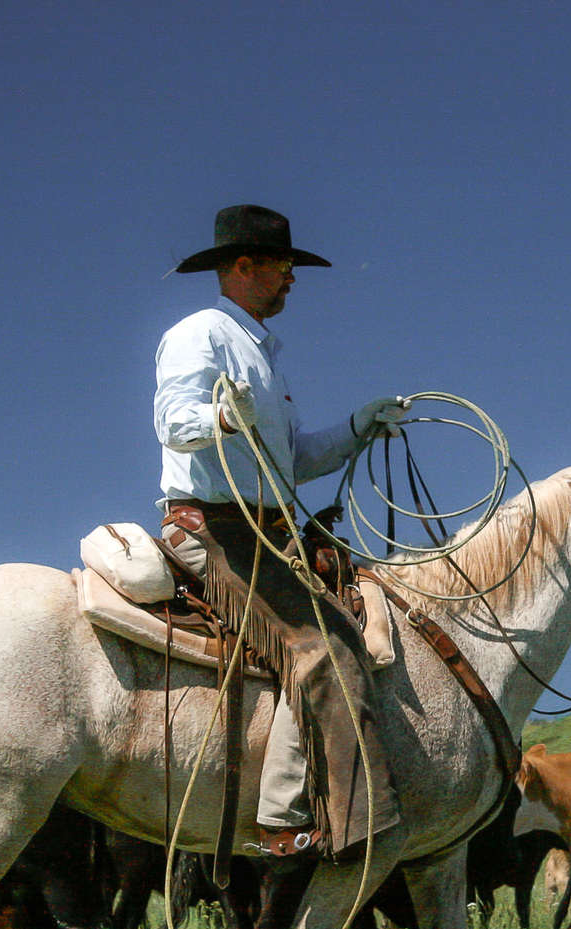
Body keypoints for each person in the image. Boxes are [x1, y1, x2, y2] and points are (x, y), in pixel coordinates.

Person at [154, 204, 407, 861]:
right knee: (323, 646)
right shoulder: (199, 335)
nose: (292, 280)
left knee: (343, 625)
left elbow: (294, 459)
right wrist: (221, 417)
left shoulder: (265, 358)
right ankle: (286, 823)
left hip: (266, 530)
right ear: (245, 268)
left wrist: (361, 426)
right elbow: (172, 423)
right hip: (213, 528)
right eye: (284, 268)